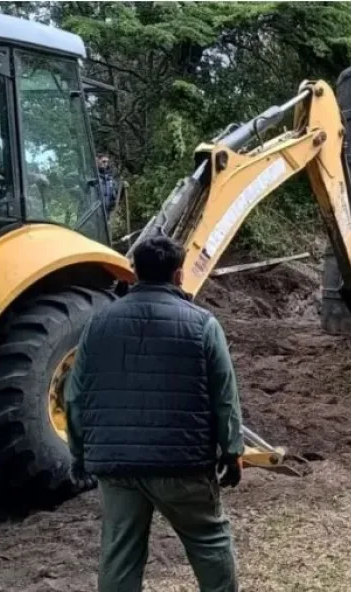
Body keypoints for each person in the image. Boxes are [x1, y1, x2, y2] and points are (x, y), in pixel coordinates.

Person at [65, 235, 244, 592]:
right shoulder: (203, 325)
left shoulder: (97, 325)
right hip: (183, 465)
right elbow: (224, 396)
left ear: (134, 273)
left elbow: (74, 397)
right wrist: (233, 450)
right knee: (209, 542)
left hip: (116, 466)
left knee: (120, 553)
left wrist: (80, 454)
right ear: (179, 276)